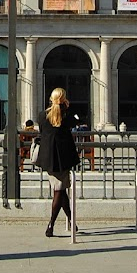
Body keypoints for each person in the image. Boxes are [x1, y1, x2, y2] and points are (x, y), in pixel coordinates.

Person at [35, 87, 81, 237]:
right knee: (59, 192)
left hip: (48, 159)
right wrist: (68, 107)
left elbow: (42, 132)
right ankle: (51, 225)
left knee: (60, 190)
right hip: (62, 159)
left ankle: (71, 222)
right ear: (63, 100)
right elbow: (77, 121)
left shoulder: (42, 116)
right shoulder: (66, 116)